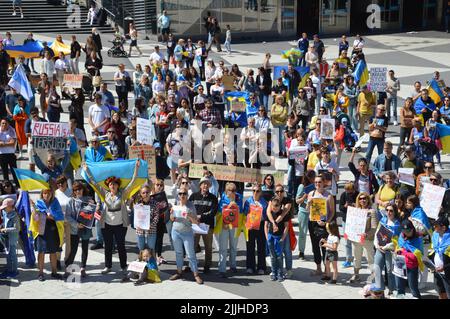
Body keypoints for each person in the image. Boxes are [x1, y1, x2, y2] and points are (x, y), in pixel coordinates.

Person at [83, 160, 140, 279]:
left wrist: (136, 168)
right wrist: (86, 169)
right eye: (110, 184)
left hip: (120, 225)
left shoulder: (123, 194)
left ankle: (124, 266)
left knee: (121, 246)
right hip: (107, 225)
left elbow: (133, 182)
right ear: (108, 186)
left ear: (118, 185)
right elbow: (93, 182)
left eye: (114, 184)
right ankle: (108, 266)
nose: (112, 186)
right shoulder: (104, 193)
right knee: (107, 245)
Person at [169, 186, 204, 285]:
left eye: (184, 194)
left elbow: (196, 222)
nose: (182, 195)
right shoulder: (176, 204)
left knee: (190, 254)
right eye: (180, 194)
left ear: (187, 195)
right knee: (178, 253)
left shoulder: (191, 206)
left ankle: (196, 274)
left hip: (187, 233)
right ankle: (179, 272)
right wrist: (171, 215)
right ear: (178, 195)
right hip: (176, 231)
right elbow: (172, 219)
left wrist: (190, 216)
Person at [31, 189, 65, 281]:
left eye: (49, 193)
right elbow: (35, 218)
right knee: (41, 252)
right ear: (42, 194)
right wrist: (34, 208)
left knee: (53, 252)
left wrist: (50, 216)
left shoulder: (55, 202)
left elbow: (60, 216)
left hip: (53, 230)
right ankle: (40, 274)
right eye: (45, 193)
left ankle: (54, 272)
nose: (47, 195)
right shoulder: (38, 203)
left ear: (52, 194)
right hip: (42, 230)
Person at [306, 175, 336, 276]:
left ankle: (326, 269)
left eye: (319, 182)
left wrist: (327, 222)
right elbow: (307, 210)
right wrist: (309, 203)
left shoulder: (329, 196)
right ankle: (318, 268)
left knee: (324, 246)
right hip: (312, 222)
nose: (317, 184)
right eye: (316, 182)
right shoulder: (311, 193)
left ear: (324, 183)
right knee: (315, 246)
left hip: (323, 223)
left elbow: (332, 211)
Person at [64, 181, 94, 279]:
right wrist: (76, 224)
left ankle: (83, 268)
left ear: (83, 189)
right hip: (74, 229)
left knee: (85, 249)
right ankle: (68, 268)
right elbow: (67, 216)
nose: (78, 191)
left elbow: (94, 211)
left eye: (80, 189)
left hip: (85, 228)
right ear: (73, 191)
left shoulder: (89, 199)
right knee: (73, 249)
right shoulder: (70, 201)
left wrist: (95, 206)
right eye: (76, 190)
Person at [190, 177, 218, 274]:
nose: (205, 185)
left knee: (208, 247)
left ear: (209, 186)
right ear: (200, 185)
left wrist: (200, 217)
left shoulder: (213, 198)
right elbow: (189, 209)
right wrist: (194, 218)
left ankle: (207, 266)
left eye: (207, 184)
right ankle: (192, 265)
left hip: (207, 226)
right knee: (192, 246)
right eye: (203, 183)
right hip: (195, 225)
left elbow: (213, 212)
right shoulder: (193, 196)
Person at [348, 192, 378, 284]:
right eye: (360, 198)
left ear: (368, 199)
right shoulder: (355, 211)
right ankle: (356, 275)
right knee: (356, 257)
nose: (362, 200)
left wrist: (367, 234)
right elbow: (350, 224)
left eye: (364, 198)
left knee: (370, 258)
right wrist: (349, 233)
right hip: (356, 239)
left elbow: (374, 227)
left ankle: (373, 276)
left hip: (367, 239)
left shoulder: (371, 211)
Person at [373, 203, 401, 295]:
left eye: (391, 210)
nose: (388, 212)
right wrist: (377, 245)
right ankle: (380, 288)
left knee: (389, 271)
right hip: (379, 248)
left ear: (395, 212)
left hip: (390, 250)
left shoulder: (397, 225)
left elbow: (396, 242)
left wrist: (385, 247)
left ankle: (391, 290)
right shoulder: (383, 220)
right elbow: (377, 233)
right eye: (387, 210)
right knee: (376, 268)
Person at [217, 182, 243, 278]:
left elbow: (241, 211)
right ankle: (222, 269)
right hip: (224, 225)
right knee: (223, 247)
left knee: (233, 246)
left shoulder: (239, 198)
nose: (232, 192)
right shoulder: (222, 199)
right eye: (230, 190)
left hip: (235, 225)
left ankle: (233, 265)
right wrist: (229, 206)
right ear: (226, 191)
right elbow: (220, 211)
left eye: (234, 190)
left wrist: (235, 204)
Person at [394, 219, 423, 299]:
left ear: (412, 229)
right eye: (404, 231)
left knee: (413, 287)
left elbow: (418, 255)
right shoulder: (401, 235)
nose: (406, 233)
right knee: (399, 288)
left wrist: (403, 251)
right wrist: (397, 251)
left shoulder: (418, 238)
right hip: (400, 264)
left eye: (408, 231)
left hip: (412, 266)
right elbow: (399, 246)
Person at [244, 183, 268, 275]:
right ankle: (250, 267)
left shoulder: (264, 202)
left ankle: (261, 267)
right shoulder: (248, 201)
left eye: (257, 191)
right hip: (250, 225)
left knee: (261, 247)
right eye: (253, 191)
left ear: (260, 192)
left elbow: (266, 215)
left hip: (261, 225)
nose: (255, 192)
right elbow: (245, 213)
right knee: (250, 246)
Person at [265, 197, 289, 282]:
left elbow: (286, 227)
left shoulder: (283, 214)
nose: (274, 209)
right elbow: (266, 225)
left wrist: (283, 238)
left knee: (279, 256)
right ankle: (273, 272)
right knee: (272, 256)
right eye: (273, 208)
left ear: (280, 206)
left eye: (276, 208)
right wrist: (267, 236)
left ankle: (280, 273)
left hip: (279, 237)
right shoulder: (270, 213)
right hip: (271, 236)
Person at [428, 216, 450, 299]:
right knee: (440, 291)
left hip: (447, 273)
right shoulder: (435, 235)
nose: (434, 227)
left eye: (436, 226)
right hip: (437, 271)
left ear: (443, 227)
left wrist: (444, 267)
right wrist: (430, 263)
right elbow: (433, 250)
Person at [134, 184, 159, 251]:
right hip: (140, 230)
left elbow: (156, 217)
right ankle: (141, 261)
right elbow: (136, 217)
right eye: (143, 193)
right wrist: (139, 208)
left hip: (151, 230)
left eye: (147, 192)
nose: (145, 194)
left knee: (151, 249)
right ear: (141, 194)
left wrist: (149, 225)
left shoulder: (155, 203)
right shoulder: (138, 203)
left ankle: (152, 261)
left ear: (150, 192)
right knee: (141, 250)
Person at [338, 182, 358, 267]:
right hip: (346, 220)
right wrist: (345, 206)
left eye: (350, 191)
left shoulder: (357, 194)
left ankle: (357, 260)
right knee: (347, 242)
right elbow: (340, 208)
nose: (348, 193)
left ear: (353, 189)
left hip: (355, 221)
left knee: (356, 242)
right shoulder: (343, 195)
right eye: (347, 190)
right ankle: (348, 259)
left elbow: (362, 206)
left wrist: (355, 205)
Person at [0, 198, 19, 279]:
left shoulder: (15, 215)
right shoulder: (5, 212)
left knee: (12, 255)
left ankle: (14, 271)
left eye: (5, 207)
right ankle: (9, 269)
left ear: (11, 206)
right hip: (6, 237)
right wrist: (2, 226)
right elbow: (4, 222)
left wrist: (5, 229)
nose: (3, 208)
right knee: (8, 254)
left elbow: (16, 229)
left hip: (12, 238)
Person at [0, 119, 18, 185]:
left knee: (14, 171)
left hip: (11, 154)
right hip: (2, 154)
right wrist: (8, 142)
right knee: (5, 172)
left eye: (5, 123)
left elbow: (13, 143)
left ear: (8, 124)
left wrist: (3, 143)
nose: (4, 125)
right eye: (3, 123)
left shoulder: (12, 130)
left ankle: (17, 184)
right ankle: (6, 186)